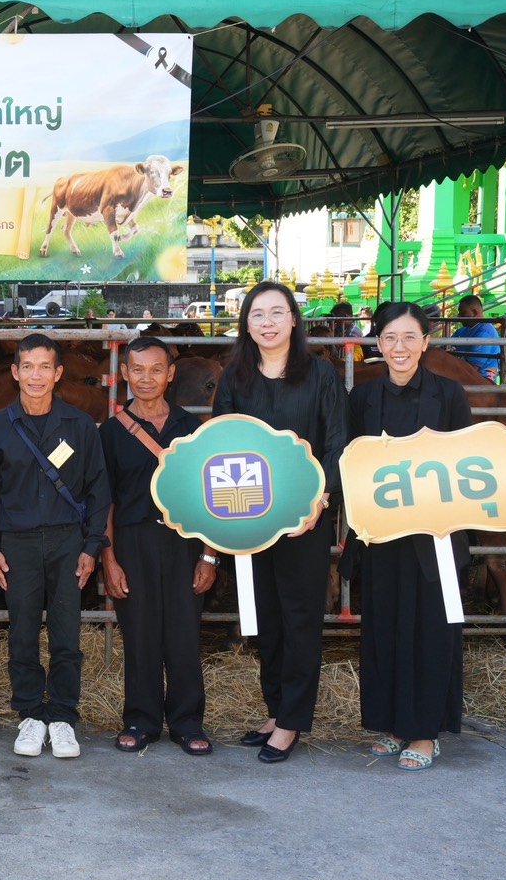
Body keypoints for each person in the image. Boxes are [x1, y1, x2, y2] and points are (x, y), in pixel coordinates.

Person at [213, 280, 349, 764]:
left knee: (299, 618)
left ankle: (293, 720)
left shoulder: (321, 374)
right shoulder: (234, 379)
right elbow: (220, 445)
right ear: (246, 325)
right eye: (257, 314)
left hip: (302, 518)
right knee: (266, 620)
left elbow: (338, 443)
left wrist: (320, 500)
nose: (267, 322)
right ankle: (276, 710)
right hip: (248, 516)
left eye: (276, 312)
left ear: (293, 319)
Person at [345, 302, 470, 771]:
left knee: (432, 633)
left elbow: (466, 464)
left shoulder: (449, 394)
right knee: (386, 630)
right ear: (378, 343)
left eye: (409, 337)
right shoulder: (362, 398)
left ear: (426, 342)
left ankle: (425, 733)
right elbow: (351, 463)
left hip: (435, 536)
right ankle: (395, 725)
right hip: (380, 536)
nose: (399, 347)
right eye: (390, 338)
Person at [0, 333, 111, 760]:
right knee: (21, 632)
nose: (36, 375)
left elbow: (99, 490)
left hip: (67, 541)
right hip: (16, 543)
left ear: (58, 374)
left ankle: (64, 716)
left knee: (67, 633)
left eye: (45, 367)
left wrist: (92, 546)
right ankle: (31, 714)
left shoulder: (80, 426)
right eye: (28, 367)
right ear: (15, 372)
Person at [99, 337, 215, 756]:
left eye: (156, 370)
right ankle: (141, 719)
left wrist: (209, 555)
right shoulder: (111, 432)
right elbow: (104, 500)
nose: (146, 378)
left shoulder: (193, 429)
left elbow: (211, 495)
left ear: (171, 374)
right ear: (124, 374)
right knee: (140, 634)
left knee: (185, 633)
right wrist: (109, 559)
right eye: (138, 370)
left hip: (186, 540)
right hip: (133, 540)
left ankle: (187, 721)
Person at [448, 294, 502, 381]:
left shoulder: (485, 333)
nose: (459, 316)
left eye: (463, 313)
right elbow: (443, 349)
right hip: (463, 379)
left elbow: (472, 369)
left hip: (480, 383)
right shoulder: (462, 331)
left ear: (474, 313)